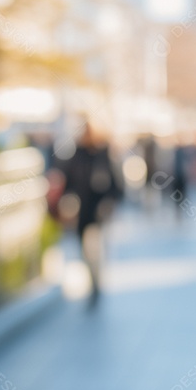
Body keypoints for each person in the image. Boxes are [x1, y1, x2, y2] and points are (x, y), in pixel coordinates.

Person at [57, 122, 121, 306]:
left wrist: (108, 203)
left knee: (94, 249)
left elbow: (115, 184)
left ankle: (96, 285)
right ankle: (93, 281)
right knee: (85, 252)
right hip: (81, 213)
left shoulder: (103, 155)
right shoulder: (75, 155)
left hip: (97, 213)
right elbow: (67, 181)